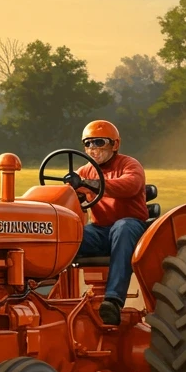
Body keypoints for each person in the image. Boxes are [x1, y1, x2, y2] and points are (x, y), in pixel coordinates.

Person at [75, 119, 148, 326]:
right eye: (88, 143)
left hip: (131, 227)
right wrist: (69, 190)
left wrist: (92, 184)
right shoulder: (83, 172)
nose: (93, 149)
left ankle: (113, 301)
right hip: (99, 231)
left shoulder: (129, 165)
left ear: (115, 145)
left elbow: (130, 185)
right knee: (69, 236)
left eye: (99, 143)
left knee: (122, 227)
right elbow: (71, 196)